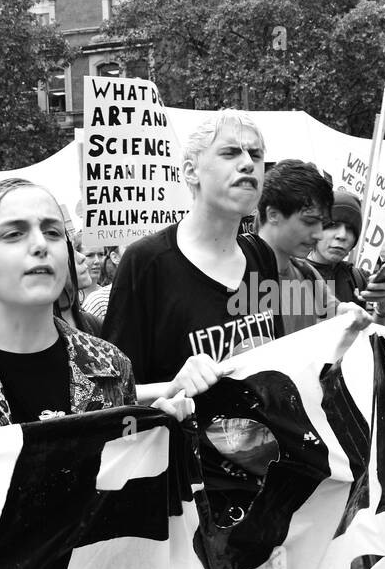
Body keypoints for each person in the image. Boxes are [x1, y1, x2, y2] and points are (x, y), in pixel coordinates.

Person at [0, 179, 191, 465]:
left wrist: (157, 434)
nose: (41, 245)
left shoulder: (111, 366)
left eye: (53, 232)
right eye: (14, 234)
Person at [101, 110, 281, 404]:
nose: (248, 163)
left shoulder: (261, 255)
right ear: (190, 171)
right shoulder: (146, 262)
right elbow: (110, 394)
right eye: (230, 152)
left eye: (256, 155)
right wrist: (172, 387)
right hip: (181, 447)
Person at [254, 159, 340, 333]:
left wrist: (374, 310)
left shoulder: (308, 274)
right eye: (309, 221)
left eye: (322, 223)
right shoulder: (232, 279)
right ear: (273, 215)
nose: (319, 234)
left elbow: (338, 314)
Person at [306, 190, 370, 304]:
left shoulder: (357, 279)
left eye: (350, 228)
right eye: (333, 225)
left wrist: (381, 309)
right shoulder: (290, 274)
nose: (342, 235)